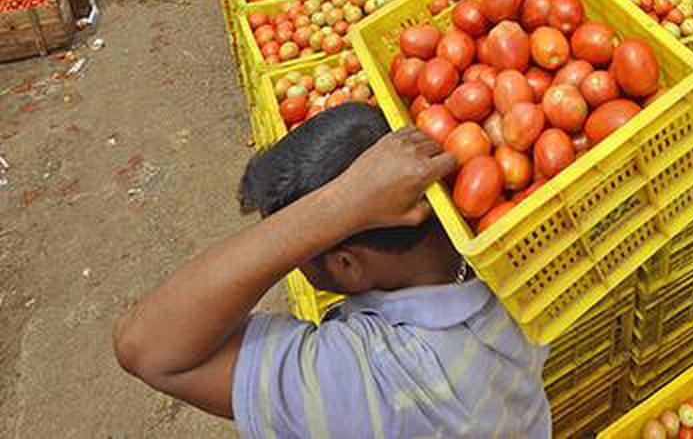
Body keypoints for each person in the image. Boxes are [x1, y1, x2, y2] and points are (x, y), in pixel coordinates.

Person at [113, 104, 552, 437]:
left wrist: (343, 205)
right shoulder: (509, 261)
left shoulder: (376, 379)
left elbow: (145, 347)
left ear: (347, 265)